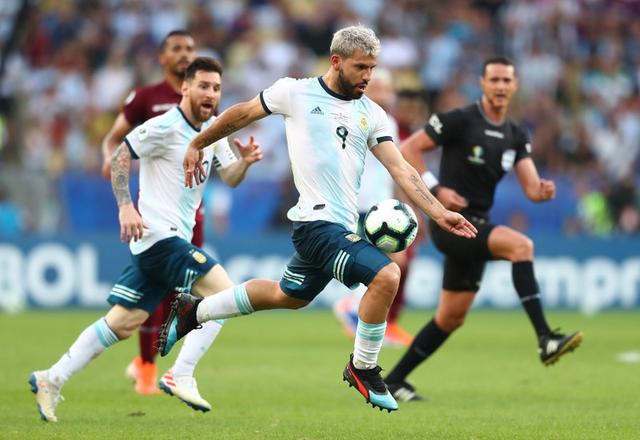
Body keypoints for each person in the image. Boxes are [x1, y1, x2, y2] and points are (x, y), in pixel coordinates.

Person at [158, 25, 477, 413]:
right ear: (336, 61)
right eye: (361, 67)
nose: (368, 77)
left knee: (288, 296)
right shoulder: (294, 92)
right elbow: (242, 112)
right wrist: (197, 142)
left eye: (372, 68)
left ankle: (195, 310)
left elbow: (401, 168)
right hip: (315, 225)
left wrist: (439, 211)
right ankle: (363, 367)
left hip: (339, 227)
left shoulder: (371, 114)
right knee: (387, 275)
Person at [29, 57, 263, 422]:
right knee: (225, 295)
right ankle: (180, 373)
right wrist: (125, 207)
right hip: (157, 236)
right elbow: (122, 155)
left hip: (164, 242)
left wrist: (244, 162)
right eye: (203, 85)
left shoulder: (215, 130)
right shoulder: (165, 126)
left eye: (216, 88)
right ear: (185, 87)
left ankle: (51, 378)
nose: (210, 94)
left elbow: (229, 177)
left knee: (122, 323)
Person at [384, 56, 584, 402]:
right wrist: (435, 189)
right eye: (495, 80)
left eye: (507, 80)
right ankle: (545, 338)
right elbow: (408, 148)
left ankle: (395, 380)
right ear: (483, 83)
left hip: (476, 225)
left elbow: (531, 188)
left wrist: (543, 191)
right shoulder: (461, 120)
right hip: (451, 222)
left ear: (515, 85)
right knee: (521, 246)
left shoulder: (516, 135)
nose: (501, 86)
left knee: (450, 317)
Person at [101, 30, 213, 396]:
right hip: (155, 215)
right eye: (177, 49)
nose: (184, 54)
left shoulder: (202, 99)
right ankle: (149, 367)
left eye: (190, 48)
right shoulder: (146, 99)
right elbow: (116, 139)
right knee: (159, 291)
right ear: (162, 57)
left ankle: (155, 365)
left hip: (191, 215)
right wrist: (109, 158)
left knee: (181, 293)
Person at [332, 68, 416, 347]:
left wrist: (399, 202)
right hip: (360, 204)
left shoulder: (387, 121)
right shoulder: (352, 115)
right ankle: (355, 308)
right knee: (388, 263)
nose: (382, 93)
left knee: (393, 263)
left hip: (382, 206)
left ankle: (364, 314)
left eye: (386, 89)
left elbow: (394, 168)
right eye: (376, 87)